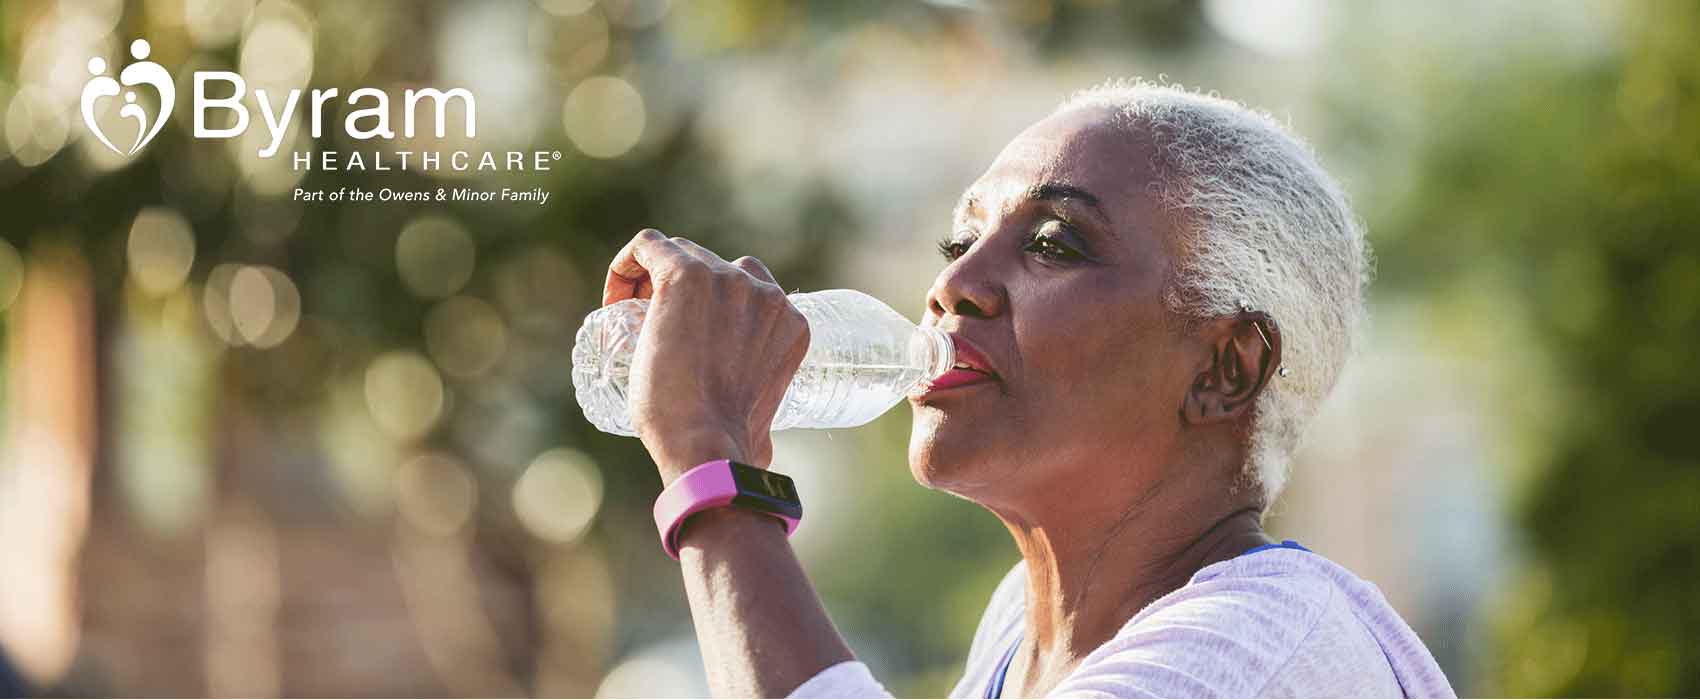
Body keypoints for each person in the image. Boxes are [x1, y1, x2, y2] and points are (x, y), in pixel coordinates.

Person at [601, 80, 1455, 698]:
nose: (956, 284)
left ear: (1226, 369)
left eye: (1054, 243)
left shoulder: (1253, 656)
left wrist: (713, 471)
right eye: (957, 240)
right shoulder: (1026, 629)